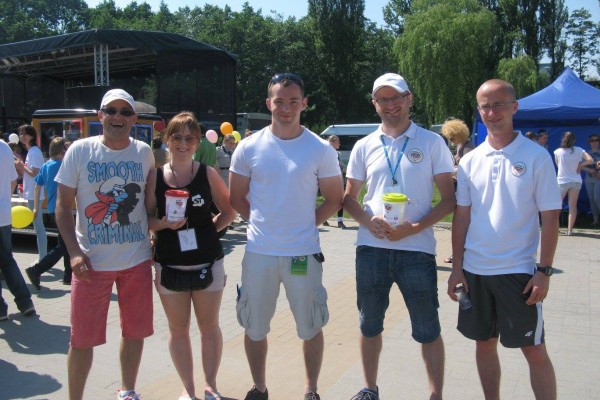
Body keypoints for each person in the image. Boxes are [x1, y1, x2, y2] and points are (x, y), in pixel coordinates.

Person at [229, 72, 343, 400]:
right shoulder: (248, 147)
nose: (286, 108)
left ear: (304, 103)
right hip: (260, 253)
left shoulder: (319, 149)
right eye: (279, 101)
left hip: (302, 254)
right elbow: (236, 198)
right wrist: (261, 224)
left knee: (310, 326)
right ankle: (260, 387)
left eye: (294, 101)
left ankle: (311, 390)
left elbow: (334, 199)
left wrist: (306, 225)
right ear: (268, 104)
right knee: (254, 326)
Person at [342, 73, 455, 400]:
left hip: (417, 251)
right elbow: (349, 198)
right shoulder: (365, 145)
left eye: (396, 98)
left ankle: (435, 394)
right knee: (369, 324)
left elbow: (449, 200)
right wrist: (368, 220)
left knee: (427, 328)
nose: (390, 105)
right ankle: (369, 389)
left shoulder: (432, 142)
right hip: (371, 248)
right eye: (383, 99)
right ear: (374, 103)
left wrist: (415, 227)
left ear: (409, 99)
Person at [448, 79, 562, 400]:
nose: (492, 112)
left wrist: (544, 270)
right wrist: (457, 268)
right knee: (484, 345)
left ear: (514, 107)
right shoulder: (470, 160)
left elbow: (550, 217)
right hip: (475, 272)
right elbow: (462, 217)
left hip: (518, 274)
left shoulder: (536, 156)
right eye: (485, 106)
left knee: (534, 350)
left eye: (498, 104)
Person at [55, 89, 155, 400]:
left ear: (134, 119)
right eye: (111, 111)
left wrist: (159, 232)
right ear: (100, 116)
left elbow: (149, 206)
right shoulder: (80, 151)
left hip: (137, 260)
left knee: (135, 332)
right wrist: (74, 253)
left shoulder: (144, 153)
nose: (117, 117)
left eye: (125, 112)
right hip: (90, 264)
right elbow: (62, 208)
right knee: (81, 339)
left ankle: (127, 391)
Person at [149, 112, 236, 400]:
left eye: (189, 138)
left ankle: (210, 386)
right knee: (178, 330)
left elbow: (229, 211)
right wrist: (163, 225)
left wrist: (208, 232)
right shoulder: (155, 177)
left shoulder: (207, 174)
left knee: (209, 327)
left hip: (207, 263)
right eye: (177, 137)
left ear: (198, 142)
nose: (183, 144)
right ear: (167, 140)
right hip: (169, 265)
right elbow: (146, 219)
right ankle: (188, 390)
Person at [25, 137, 72, 289]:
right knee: (67, 243)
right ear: (62, 150)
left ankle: (68, 276)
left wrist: (36, 207)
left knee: (63, 242)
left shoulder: (46, 165)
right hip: (63, 209)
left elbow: (37, 187)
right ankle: (36, 270)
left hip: (52, 208)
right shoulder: (64, 165)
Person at [0, 139, 36, 320]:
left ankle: (1, 309)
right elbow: (13, 180)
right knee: (7, 260)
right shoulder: (4, 147)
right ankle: (25, 302)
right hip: (3, 214)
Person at [440, 118, 474, 264]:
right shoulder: (462, 147)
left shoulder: (468, 149)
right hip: (459, 189)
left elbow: (466, 171)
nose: (451, 140)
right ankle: (459, 253)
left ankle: (459, 254)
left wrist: (451, 173)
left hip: (466, 192)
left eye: (453, 137)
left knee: (462, 224)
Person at [14, 124, 47, 260]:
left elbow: (35, 173)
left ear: (32, 136)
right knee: (37, 227)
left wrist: (21, 166)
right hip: (32, 193)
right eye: (20, 133)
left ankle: (43, 258)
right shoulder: (31, 151)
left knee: (39, 227)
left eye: (24, 133)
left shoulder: (34, 152)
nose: (22, 136)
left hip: (35, 194)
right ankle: (42, 257)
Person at [553, 131, 593, 235]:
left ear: (563, 139)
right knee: (573, 206)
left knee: (557, 205)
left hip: (562, 180)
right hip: (575, 180)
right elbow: (590, 160)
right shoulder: (579, 150)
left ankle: (555, 228)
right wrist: (581, 165)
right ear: (574, 140)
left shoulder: (557, 151)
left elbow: (558, 165)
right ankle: (569, 230)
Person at [323, 134, 347, 228]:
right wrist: (344, 169)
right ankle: (337, 221)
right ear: (332, 142)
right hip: (331, 181)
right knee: (334, 201)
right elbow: (333, 166)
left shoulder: (337, 153)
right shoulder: (327, 153)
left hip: (337, 180)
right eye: (338, 142)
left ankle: (333, 220)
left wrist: (345, 169)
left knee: (338, 200)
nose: (339, 143)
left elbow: (340, 164)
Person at [581, 134, 600, 225]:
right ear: (589, 142)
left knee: (597, 198)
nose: (594, 142)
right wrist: (589, 170)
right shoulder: (586, 153)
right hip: (589, 179)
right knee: (592, 199)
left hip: (599, 178)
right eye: (592, 140)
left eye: (596, 140)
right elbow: (580, 165)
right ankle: (595, 219)